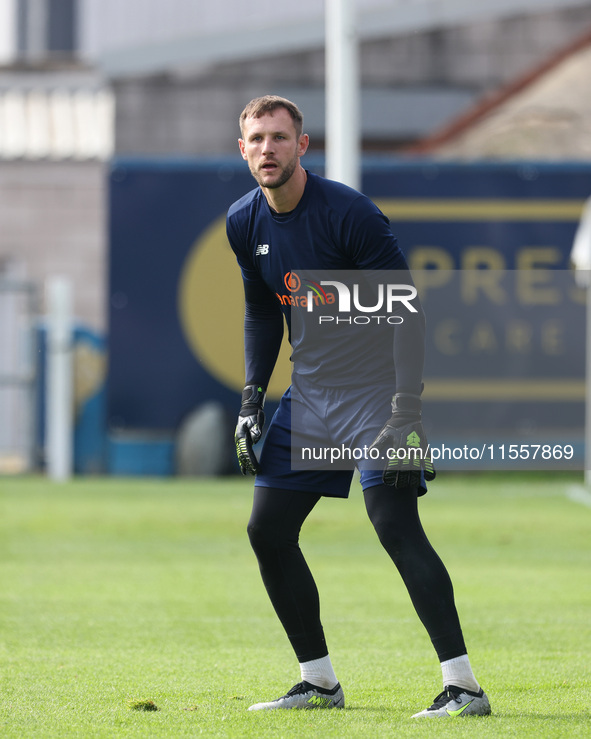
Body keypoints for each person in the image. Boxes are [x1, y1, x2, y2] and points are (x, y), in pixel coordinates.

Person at [226, 94, 491, 718]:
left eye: (279, 138)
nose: (268, 148)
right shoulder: (244, 221)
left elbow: (407, 312)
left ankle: (465, 687)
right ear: (242, 149)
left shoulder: (349, 214)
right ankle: (318, 683)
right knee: (267, 530)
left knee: (395, 525)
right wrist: (249, 400)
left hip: (376, 395)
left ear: (302, 146)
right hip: (312, 393)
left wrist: (406, 412)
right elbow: (264, 309)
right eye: (257, 139)